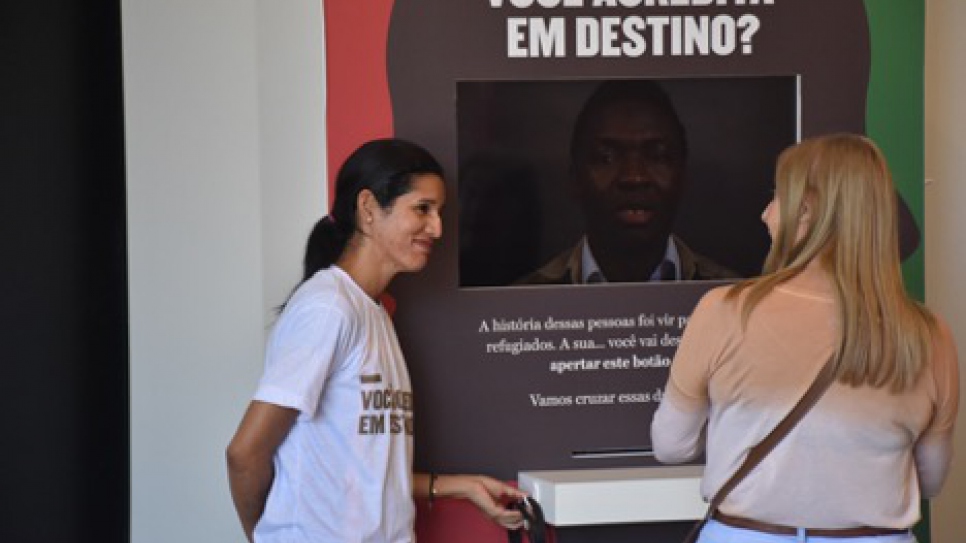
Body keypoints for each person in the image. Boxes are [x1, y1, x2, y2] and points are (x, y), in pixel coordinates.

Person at [651, 134, 959, 541]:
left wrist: (740, 424)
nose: (765, 214)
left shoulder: (724, 311)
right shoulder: (929, 335)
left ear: (808, 212)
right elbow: (930, 480)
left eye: (778, 197)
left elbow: (671, 445)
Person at [226, 138, 525, 543]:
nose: (436, 228)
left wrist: (461, 486)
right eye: (422, 209)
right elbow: (245, 453)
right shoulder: (328, 308)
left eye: (439, 212)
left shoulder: (373, 312)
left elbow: (366, 468)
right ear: (368, 209)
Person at [518, 79, 738, 285]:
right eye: (606, 158)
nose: (634, 177)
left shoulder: (737, 306)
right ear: (575, 178)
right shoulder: (519, 306)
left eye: (657, 156)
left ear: (683, 177)